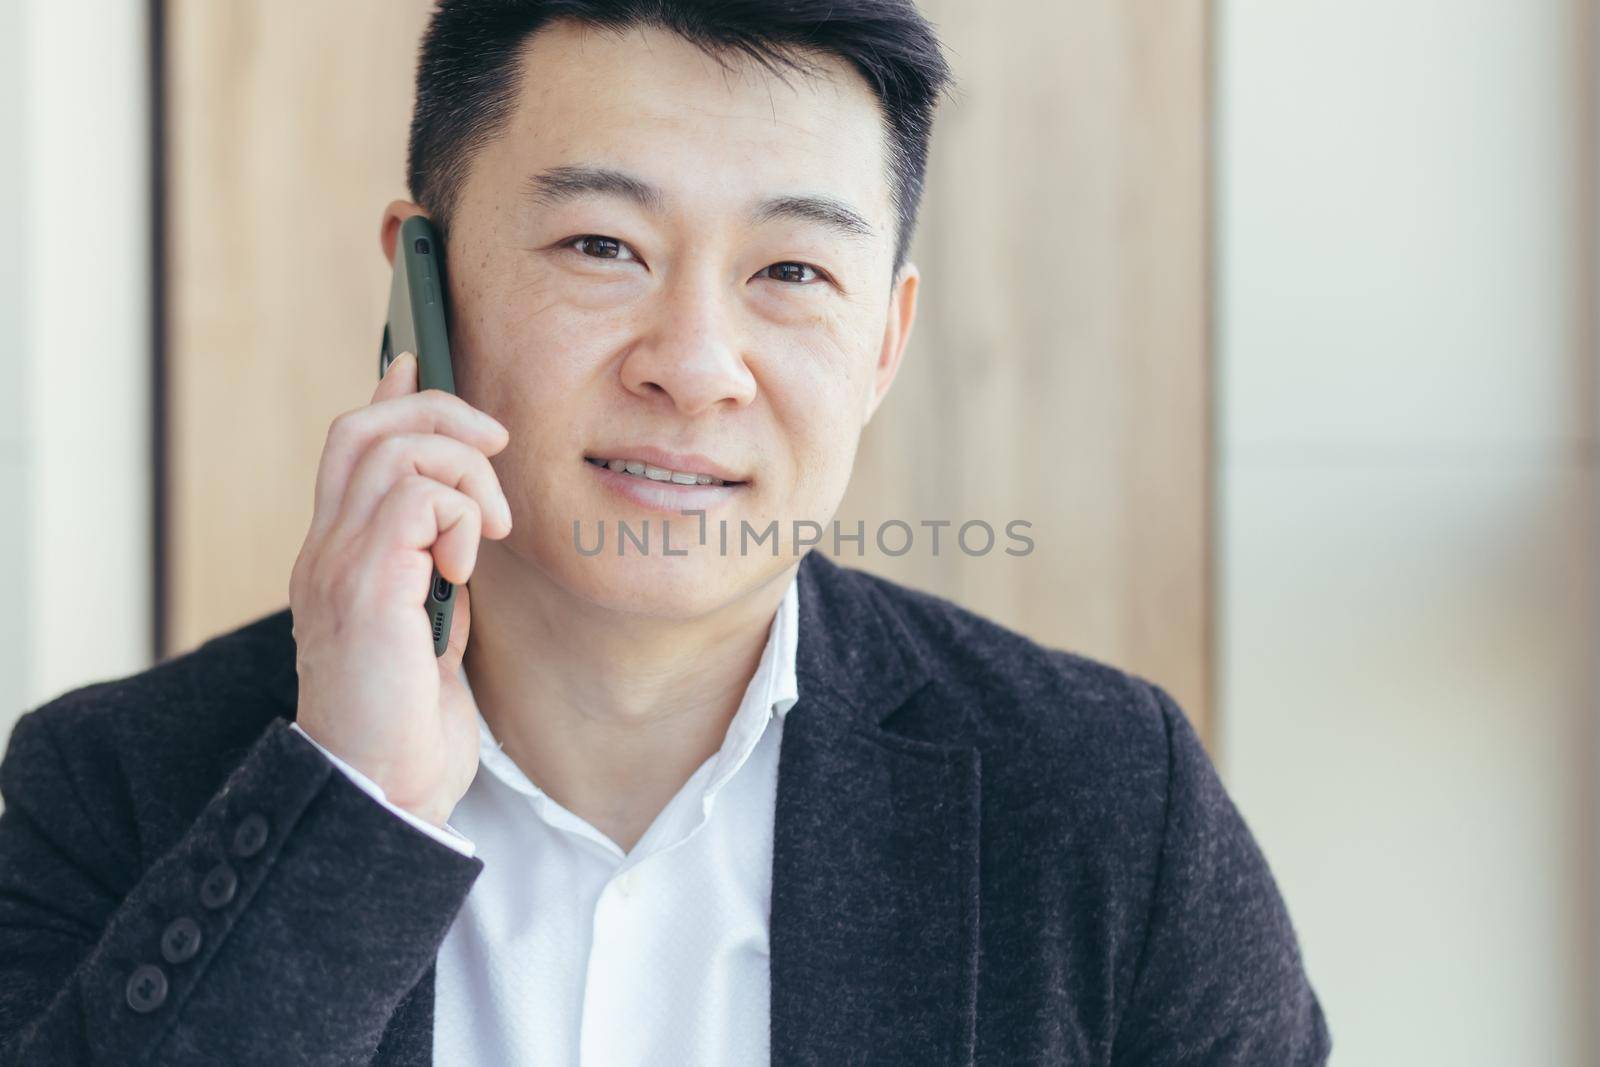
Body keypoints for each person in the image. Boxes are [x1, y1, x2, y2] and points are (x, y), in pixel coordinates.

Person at [0, 1, 1331, 1063]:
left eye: (792, 272)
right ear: (423, 281)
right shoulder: (113, 786)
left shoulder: (1105, 805)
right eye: (601, 246)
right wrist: (344, 817)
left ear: (884, 344)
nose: (695, 365)